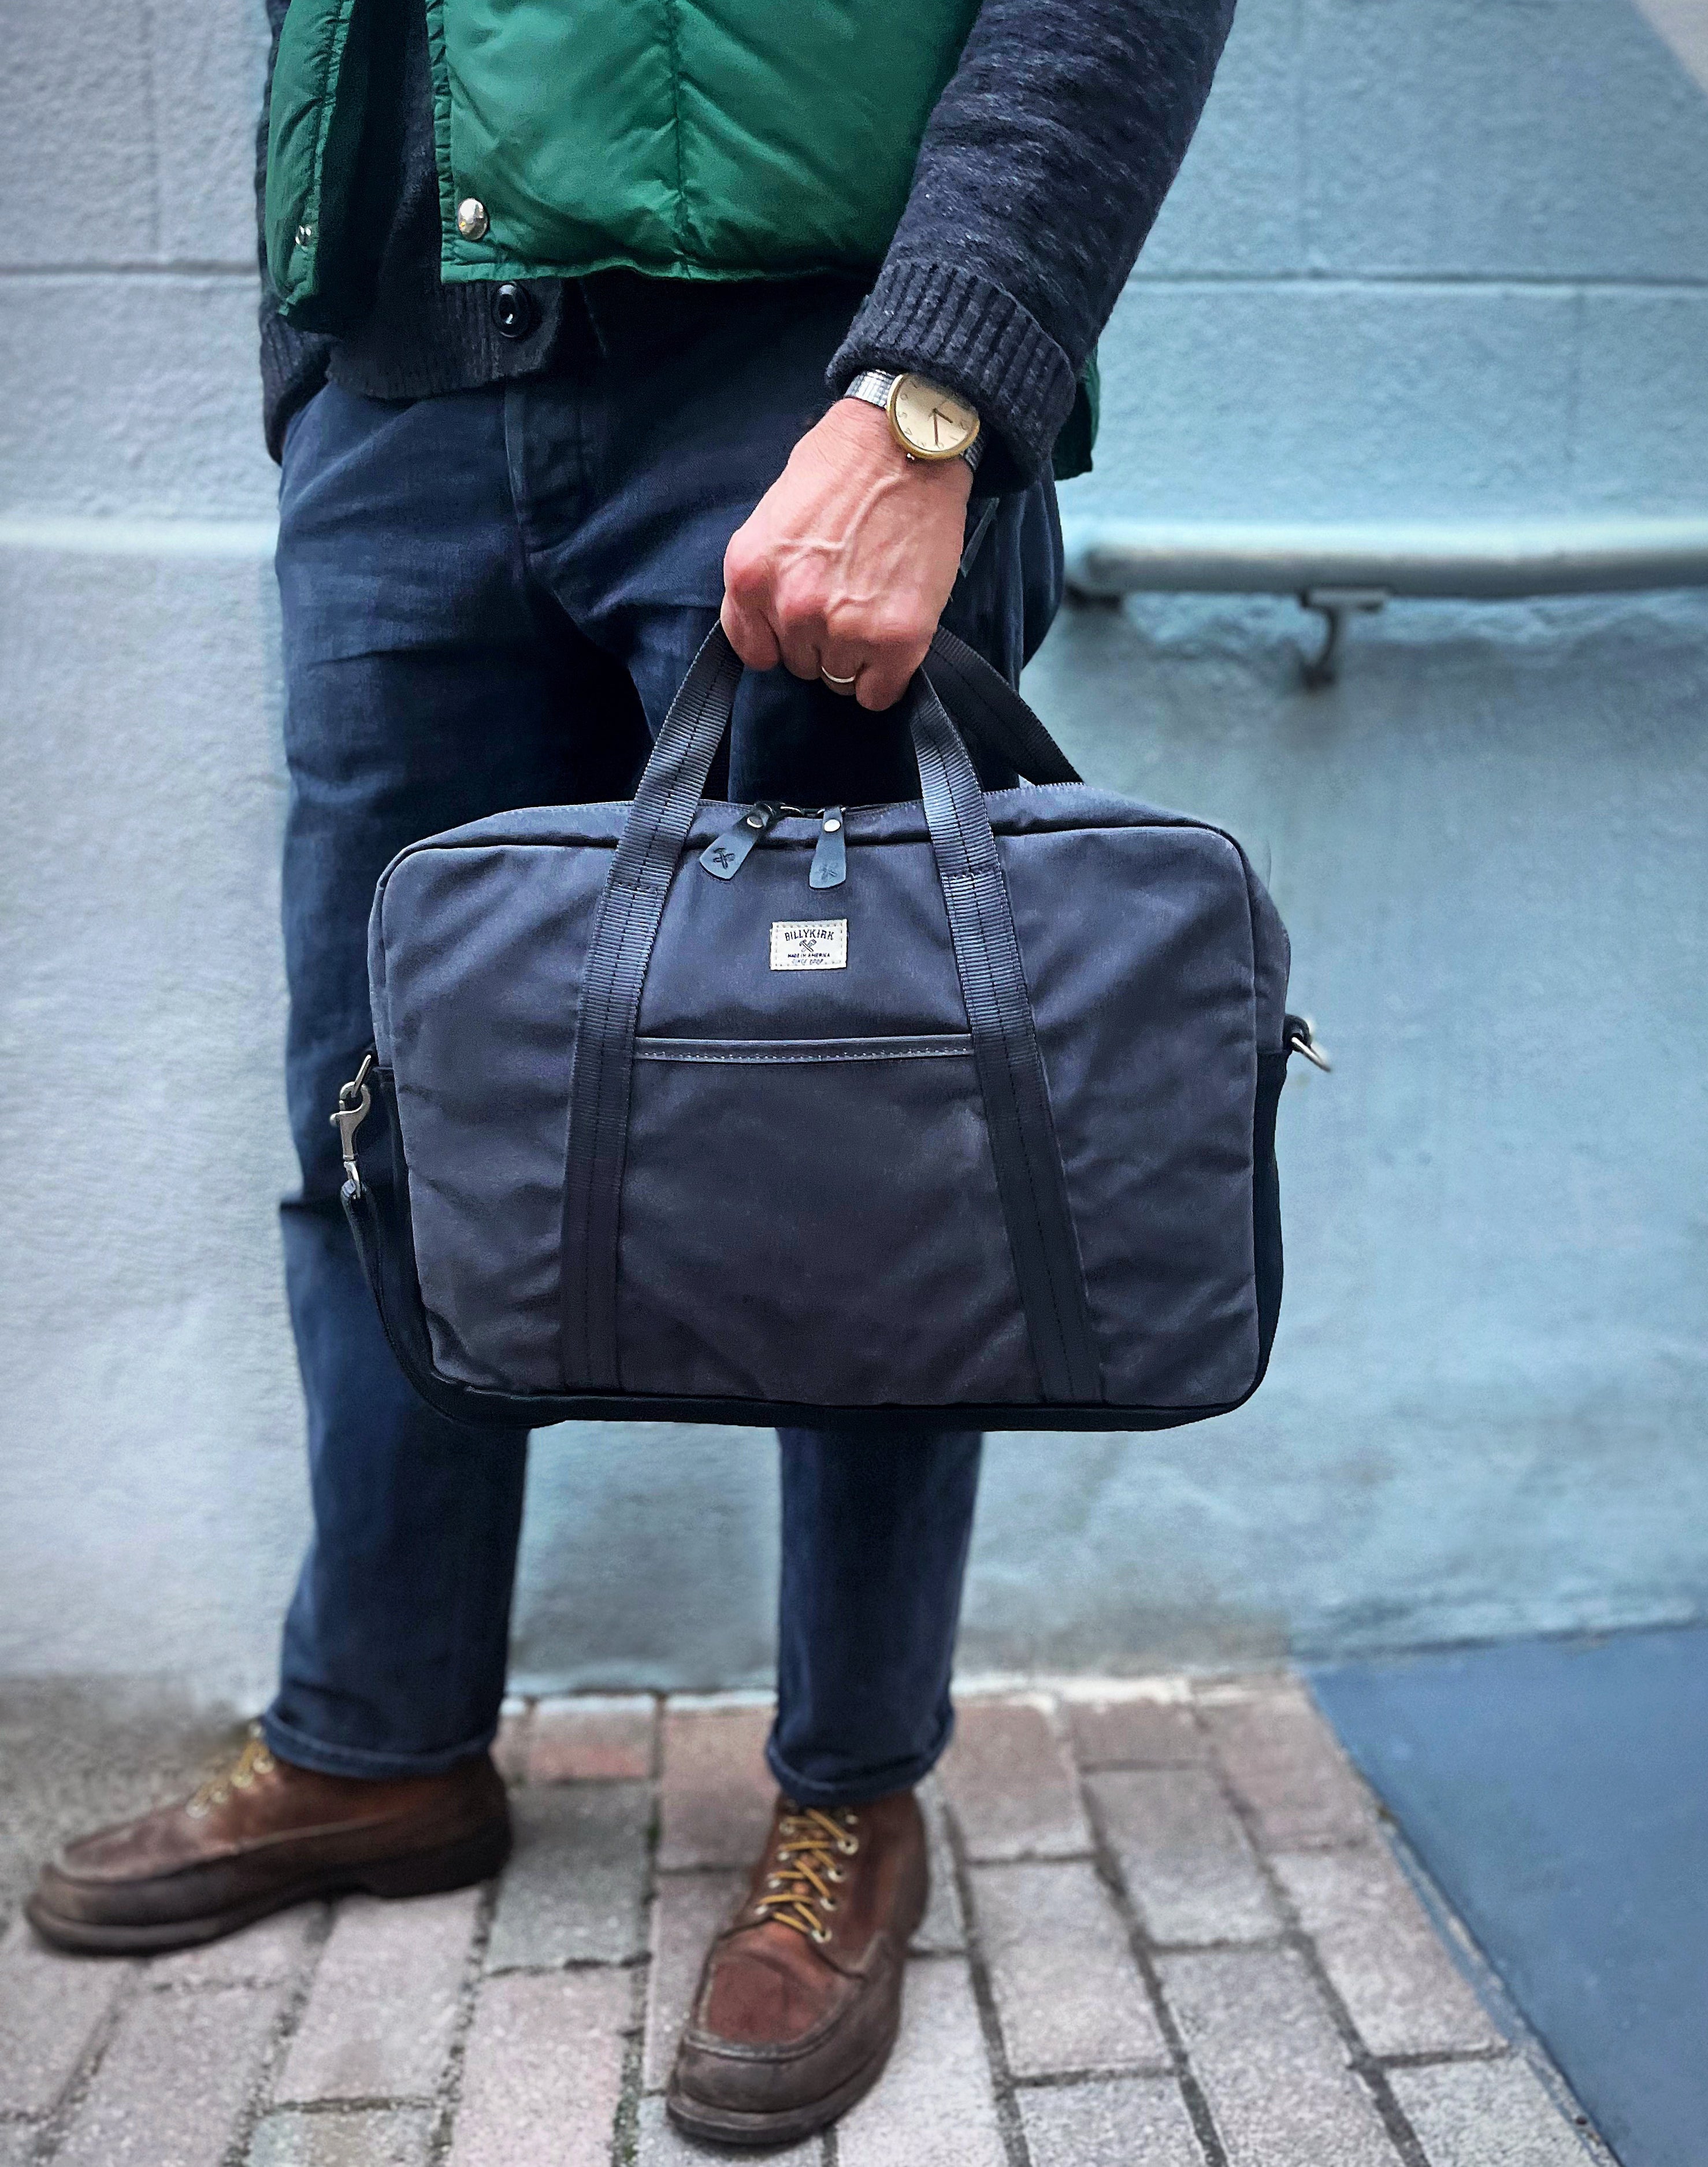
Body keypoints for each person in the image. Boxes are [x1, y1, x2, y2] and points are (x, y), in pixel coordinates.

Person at [28, 0, 1235, 2142]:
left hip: (807, 376)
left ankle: (851, 1796)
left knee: (861, 1147)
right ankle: (382, 1738)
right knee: (380, 1127)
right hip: (405, 376)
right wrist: (317, 364)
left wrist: (935, 385)